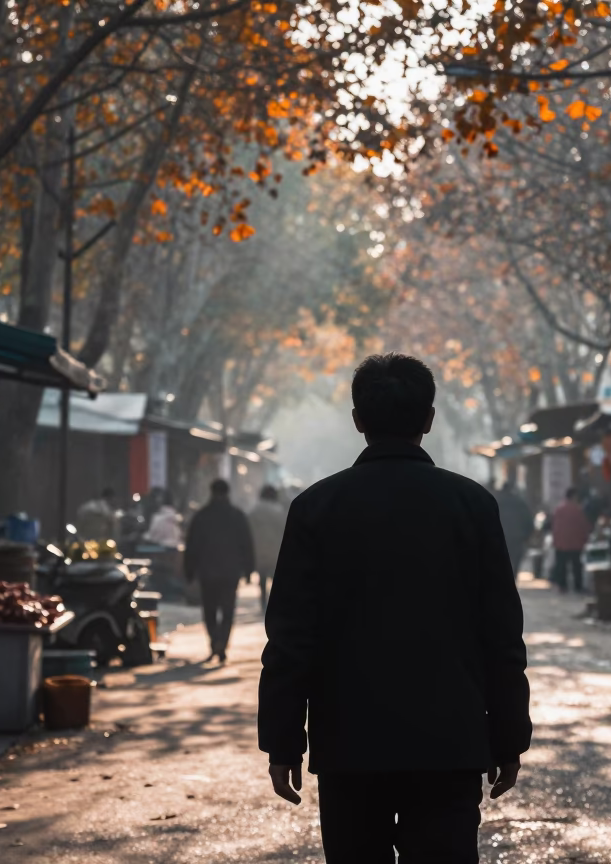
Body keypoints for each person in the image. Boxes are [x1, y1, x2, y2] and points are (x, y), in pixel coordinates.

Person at [259, 353, 532, 864]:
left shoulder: (316, 507)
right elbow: (500, 634)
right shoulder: (471, 505)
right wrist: (509, 735)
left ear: (358, 419)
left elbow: (292, 639)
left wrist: (282, 742)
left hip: (349, 744)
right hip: (449, 742)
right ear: (429, 419)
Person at [184, 479, 255, 664]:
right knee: (228, 610)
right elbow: (246, 545)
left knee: (209, 610)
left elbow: (192, 546)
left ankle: (214, 640)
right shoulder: (237, 516)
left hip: (208, 572)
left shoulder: (201, 516)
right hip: (230, 572)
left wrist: (189, 571)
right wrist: (248, 570)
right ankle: (222, 644)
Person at [249, 485, 286, 613]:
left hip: (259, 551)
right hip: (276, 551)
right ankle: (276, 603)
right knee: (276, 579)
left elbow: (249, 531)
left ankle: (263, 603)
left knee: (262, 578)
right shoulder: (279, 511)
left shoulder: (254, 511)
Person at [552, 487, 592, 593]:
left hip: (561, 542)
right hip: (575, 543)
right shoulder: (578, 509)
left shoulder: (559, 509)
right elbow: (584, 526)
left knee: (562, 565)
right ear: (574, 496)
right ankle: (577, 586)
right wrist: (585, 538)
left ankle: (562, 585)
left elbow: (555, 526)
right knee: (576, 566)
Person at [495, 480, 534, 577]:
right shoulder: (520, 502)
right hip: (517, 537)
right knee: (515, 559)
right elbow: (528, 520)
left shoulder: (494, 500)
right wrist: (527, 535)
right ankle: (513, 578)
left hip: (499, 536)